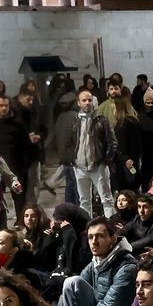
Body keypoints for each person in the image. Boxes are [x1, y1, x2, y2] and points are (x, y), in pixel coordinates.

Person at [55, 214, 138, 306]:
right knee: (71, 282)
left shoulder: (127, 267)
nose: (94, 241)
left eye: (100, 236)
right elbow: (65, 296)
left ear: (113, 238)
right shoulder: (97, 261)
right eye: (90, 237)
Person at [52, 89, 115, 217]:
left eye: (89, 100)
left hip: (98, 165)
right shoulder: (75, 121)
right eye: (84, 100)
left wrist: (105, 160)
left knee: (106, 199)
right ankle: (87, 228)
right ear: (78, 103)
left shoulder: (101, 120)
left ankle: (110, 228)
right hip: (80, 166)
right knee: (84, 201)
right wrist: (72, 160)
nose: (87, 103)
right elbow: (69, 143)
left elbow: (112, 142)